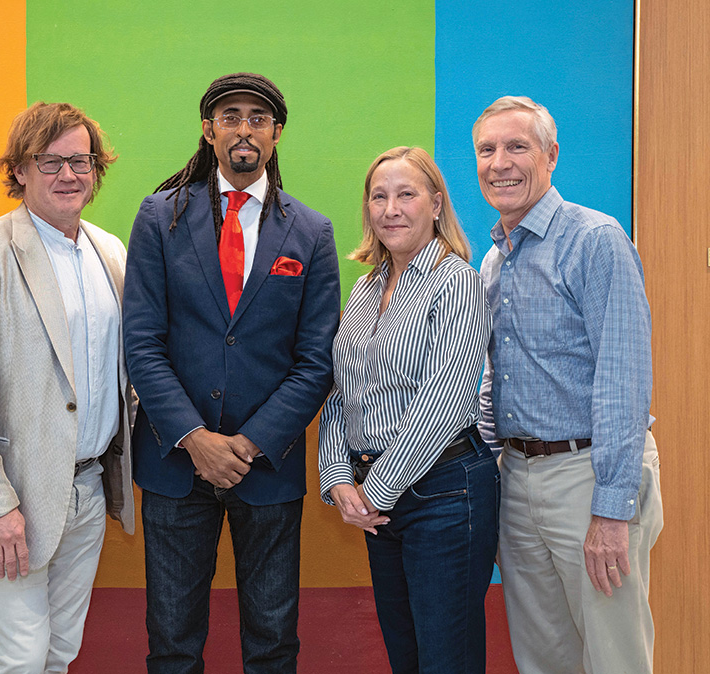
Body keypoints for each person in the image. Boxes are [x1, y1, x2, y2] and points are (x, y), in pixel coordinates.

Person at [123, 72, 341, 674]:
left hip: (265, 465)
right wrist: (195, 439)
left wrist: (246, 444)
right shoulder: (159, 216)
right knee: (172, 641)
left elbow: (316, 360)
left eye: (258, 118)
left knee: (272, 641)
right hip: (175, 462)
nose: (244, 129)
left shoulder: (312, 232)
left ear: (276, 133)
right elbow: (142, 343)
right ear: (208, 129)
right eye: (229, 116)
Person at [0, 101, 134, 674]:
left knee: (59, 653)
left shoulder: (110, 251)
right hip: (12, 499)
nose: (68, 175)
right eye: (50, 162)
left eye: (81, 161)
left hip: (89, 490)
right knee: (19, 658)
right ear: (19, 169)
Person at [474, 95, 663, 674]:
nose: (499, 162)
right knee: (543, 659)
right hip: (519, 477)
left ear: (551, 156)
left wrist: (611, 512)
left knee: (615, 659)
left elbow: (624, 382)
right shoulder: (494, 261)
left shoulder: (594, 240)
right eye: (486, 149)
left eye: (516, 147)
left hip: (590, 479)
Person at [318, 146, 497, 673]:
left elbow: (448, 398)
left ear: (436, 204)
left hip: (446, 494)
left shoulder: (457, 281)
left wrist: (374, 492)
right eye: (379, 196)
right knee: (407, 658)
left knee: (447, 661)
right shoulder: (366, 288)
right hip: (379, 502)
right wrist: (339, 480)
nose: (390, 208)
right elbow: (339, 391)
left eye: (406, 194)